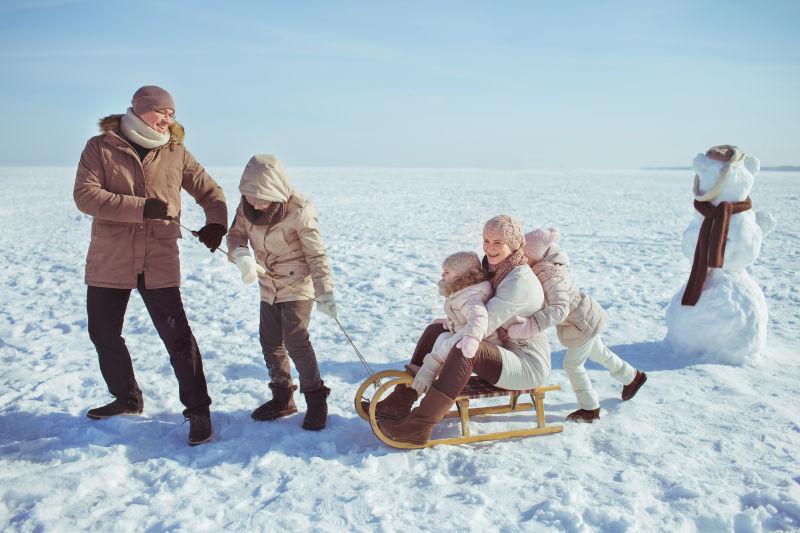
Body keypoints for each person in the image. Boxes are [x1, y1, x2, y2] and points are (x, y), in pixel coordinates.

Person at [73, 85, 228, 446]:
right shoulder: (101, 147)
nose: (167, 120)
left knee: (178, 337)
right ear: (139, 110)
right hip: (111, 258)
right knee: (104, 332)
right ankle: (126, 397)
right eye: (162, 112)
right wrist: (139, 207)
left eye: (172, 114)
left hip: (158, 258)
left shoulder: (175, 152)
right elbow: (85, 195)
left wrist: (216, 223)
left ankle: (199, 411)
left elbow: (210, 191)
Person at [375, 215, 551, 446]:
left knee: (467, 347)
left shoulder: (518, 282)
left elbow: (481, 326)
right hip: (501, 348)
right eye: (486, 240)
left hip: (525, 364)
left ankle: (419, 426)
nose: (490, 248)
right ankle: (398, 402)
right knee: (435, 330)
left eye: (498, 242)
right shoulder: (497, 269)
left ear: (515, 244)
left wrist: (434, 363)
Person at [227, 154, 336, 431]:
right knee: (269, 340)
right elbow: (236, 235)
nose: (256, 203)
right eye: (251, 196)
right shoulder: (245, 207)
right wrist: (241, 255)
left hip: (297, 284)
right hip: (268, 283)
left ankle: (316, 399)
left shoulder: (300, 210)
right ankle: (282, 396)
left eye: (263, 197)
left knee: (296, 339)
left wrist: (325, 292)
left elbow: (316, 254)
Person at [507, 228, 647, 422]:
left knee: (572, 365)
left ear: (537, 256)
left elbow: (560, 309)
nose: (523, 260)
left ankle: (590, 409)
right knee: (600, 353)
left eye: (526, 256)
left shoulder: (550, 275)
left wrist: (533, 324)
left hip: (581, 323)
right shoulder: (542, 268)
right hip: (585, 318)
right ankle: (633, 377)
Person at [410, 251, 492, 396]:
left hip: (477, 343)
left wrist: (471, 338)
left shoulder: (471, 296)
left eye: (447, 272)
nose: (442, 276)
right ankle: (430, 373)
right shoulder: (462, 289)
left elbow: (478, 316)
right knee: (441, 337)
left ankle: (432, 373)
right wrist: (452, 321)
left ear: (462, 275)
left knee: (445, 342)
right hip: (462, 332)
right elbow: (461, 314)